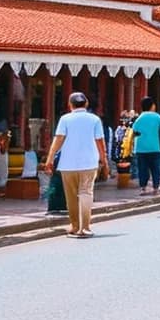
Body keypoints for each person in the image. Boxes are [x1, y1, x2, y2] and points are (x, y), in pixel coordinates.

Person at [42, 93, 109, 238]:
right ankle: (85, 227)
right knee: (86, 193)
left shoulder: (65, 119)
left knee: (71, 196)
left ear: (70, 104)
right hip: (89, 163)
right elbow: (100, 142)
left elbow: (58, 140)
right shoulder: (95, 119)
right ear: (86, 104)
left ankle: (74, 225)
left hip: (68, 164)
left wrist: (50, 159)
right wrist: (104, 160)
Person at [130, 96, 160, 197]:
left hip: (141, 148)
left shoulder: (138, 119)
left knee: (143, 169)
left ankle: (143, 188)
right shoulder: (158, 118)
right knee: (156, 169)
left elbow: (134, 132)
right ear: (152, 106)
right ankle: (156, 188)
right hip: (155, 147)